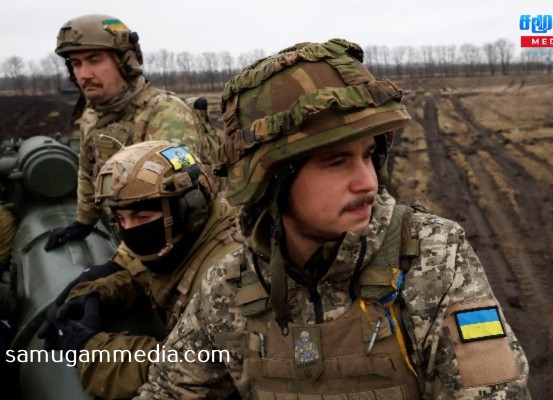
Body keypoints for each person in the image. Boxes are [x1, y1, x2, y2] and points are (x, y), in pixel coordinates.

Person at [135, 39, 531, 399]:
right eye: (336, 161)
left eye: (367, 156)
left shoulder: (432, 257)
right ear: (273, 181)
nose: (367, 183)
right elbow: (168, 392)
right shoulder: (228, 285)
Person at [39, 141, 241, 399]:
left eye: (142, 218)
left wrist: (88, 347)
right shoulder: (183, 244)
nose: (130, 229)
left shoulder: (229, 273)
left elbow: (190, 371)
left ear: (190, 207)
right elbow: (149, 275)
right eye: (121, 220)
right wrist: (98, 294)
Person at [44, 14, 214, 252]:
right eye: (76, 63)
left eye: (94, 60)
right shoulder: (92, 115)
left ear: (126, 61)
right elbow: (88, 170)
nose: (83, 74)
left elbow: (175, 207)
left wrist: (121, 269)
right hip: (130, 238)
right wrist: (84, 222)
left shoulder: (165, 114)